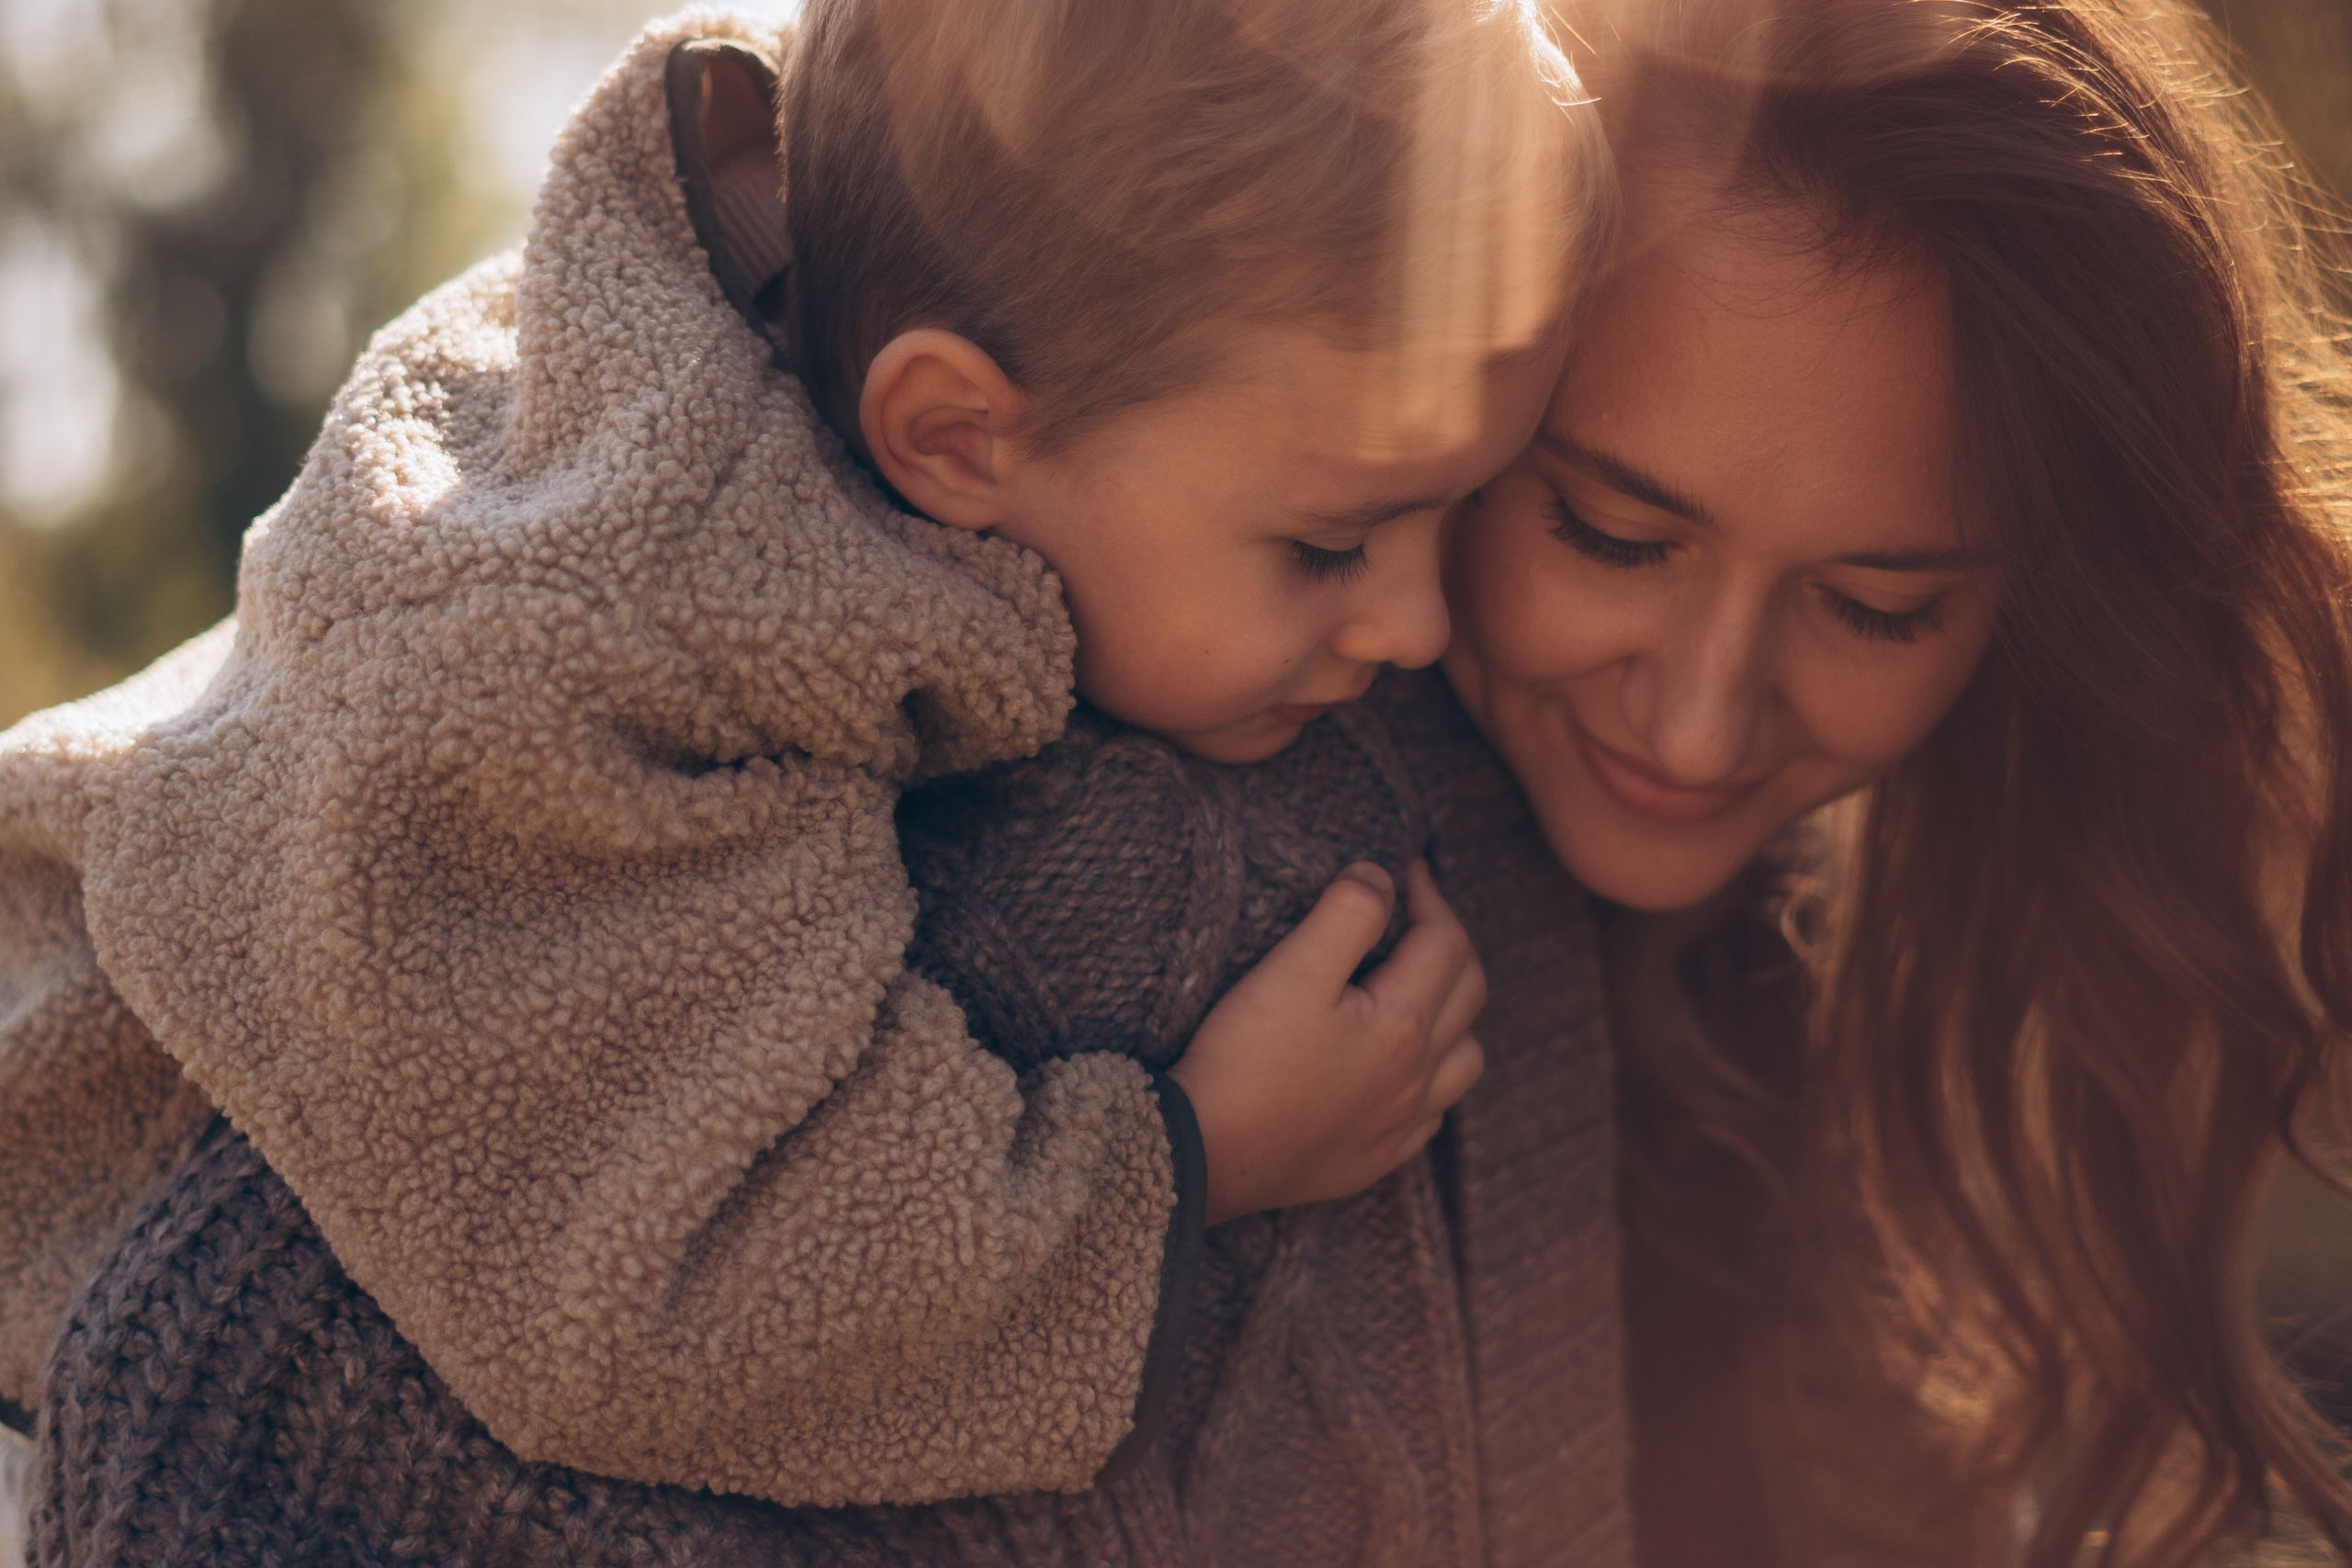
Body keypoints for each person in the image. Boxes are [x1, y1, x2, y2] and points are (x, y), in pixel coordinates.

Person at [5, 4, 1630, 1566]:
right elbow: (669, 1268)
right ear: (953, 436)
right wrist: (1196, 1159)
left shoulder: (916, 314)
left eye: (1461, 512)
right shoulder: (615, 646)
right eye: (1331, 541)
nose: (1417, 623)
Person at [1433, 0, 2352, 1561]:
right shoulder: (1167, 911)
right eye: (1610, 534)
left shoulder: (1796, 1011)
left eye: (1878, 606)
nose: (1703, 728)